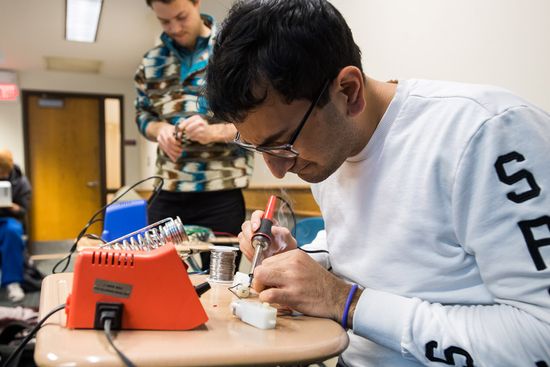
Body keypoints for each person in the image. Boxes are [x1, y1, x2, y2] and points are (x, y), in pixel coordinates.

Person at [205, 0, 550, 366]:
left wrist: (346, 302)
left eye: (284, 143)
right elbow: (372, 255)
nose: (276, 170)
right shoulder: (326, 152)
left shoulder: (486, 135)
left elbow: (541, 337)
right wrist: (301, 260)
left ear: (349, 91)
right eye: (258, 147)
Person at [134, 0, 253, 270]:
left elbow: (258, 119)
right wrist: (159, 130)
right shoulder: (151, 62)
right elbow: (143, 116)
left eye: (181, 17)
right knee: (156, 273)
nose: (174, 28)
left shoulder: (233, 50)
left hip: (221, 190)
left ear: (197, 3)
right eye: (165, 21)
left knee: (220, 280)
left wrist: (214, 132)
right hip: (169, 187)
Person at [0, 149, 31, 303]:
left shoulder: (21, 182)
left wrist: (13, 207)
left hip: (9, 220)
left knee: (12, 232)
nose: (3, 175)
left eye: (5, 172)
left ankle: (13, 282)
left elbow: (24, 209)